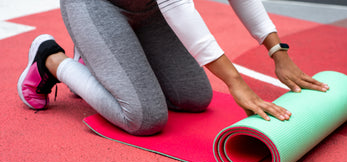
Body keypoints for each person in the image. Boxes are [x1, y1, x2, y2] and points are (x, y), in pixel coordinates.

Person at [17, 0, 329, 136]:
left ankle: (98, 53)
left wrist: (278, 52)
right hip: (96, 4)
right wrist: (236, 81)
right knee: (143, 118)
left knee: (193, 97)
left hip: (148, 8)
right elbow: (178, 7)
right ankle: (51, 60)